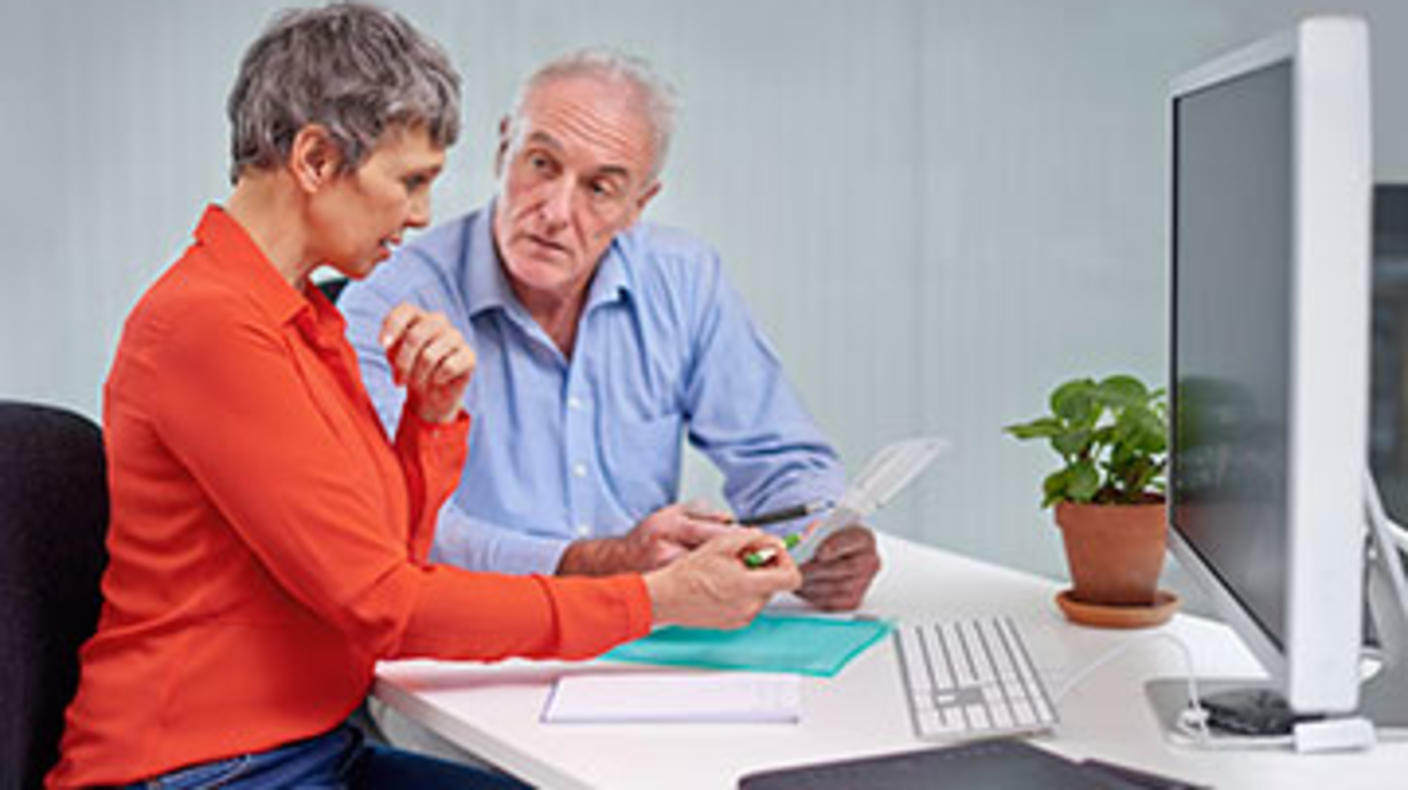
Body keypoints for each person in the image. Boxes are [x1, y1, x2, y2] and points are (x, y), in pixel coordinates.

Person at [46, 7, 798, 788]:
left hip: (308, 751)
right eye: (410, 181)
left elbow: (387, 557)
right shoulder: (209, 327)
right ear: (314, 158)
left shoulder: (305, 317)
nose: (421, 215)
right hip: (198, 771)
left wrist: (429, 426)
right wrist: (651, 600)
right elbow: (386, 607)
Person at [339, 48, 881, 615]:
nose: (554, 212)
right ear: (505, 150)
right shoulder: (393, 297)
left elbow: (779, 456)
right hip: (475, 640)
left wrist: (819, 534)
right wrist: (596, 564)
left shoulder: (684, 280)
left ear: (637, 205)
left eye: (600, 188)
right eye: (542, 164)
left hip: (645, 640)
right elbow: (390, 527)